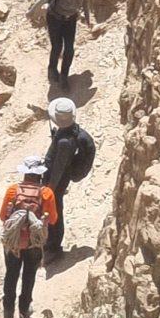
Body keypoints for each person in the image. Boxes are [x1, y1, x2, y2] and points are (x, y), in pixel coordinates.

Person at [0, 156, 58, 318]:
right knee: (29, 275)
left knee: (11, 275)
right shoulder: (46, 193)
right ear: (39, 174)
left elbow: (3, 216)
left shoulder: (12, 191)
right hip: (34, 242)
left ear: (25, 173)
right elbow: (52, 219)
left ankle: (8, 314)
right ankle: (24, 311)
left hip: (13, 242)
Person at [43, 98, 96, 259]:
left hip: (56, 181)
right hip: (59, 178)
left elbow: (59, 167)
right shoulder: (70, 131)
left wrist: (50, 187)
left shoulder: (65, 141)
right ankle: (51, 243)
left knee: (55, 211)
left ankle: (54, 247)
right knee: (54, 210)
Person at [28, 0, 93, 83]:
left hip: (70, 19)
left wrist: (88, 19)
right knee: (57, 46)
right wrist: (32, 11)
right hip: (55, 18)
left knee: (69, 49)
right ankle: (52, 69)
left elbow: (85, 2)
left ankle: (64, 76)